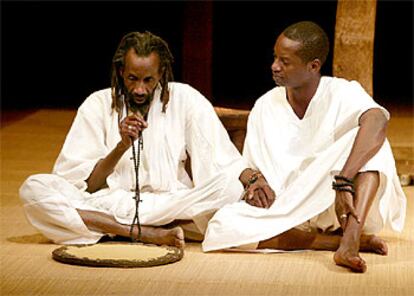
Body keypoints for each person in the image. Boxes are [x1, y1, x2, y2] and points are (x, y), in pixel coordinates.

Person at [202, 21, 406, 273]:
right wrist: (256, 181)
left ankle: (351, 237)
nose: (274, 66)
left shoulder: (341, 91)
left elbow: (377, 119)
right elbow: (252, 164)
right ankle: (333, 244)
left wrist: (344, 180)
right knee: (222, 228)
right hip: (284, 207)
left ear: (313, 66)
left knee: (375, 143)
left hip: (336, 204)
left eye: (285, 61)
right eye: (275, 57)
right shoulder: (265, 105)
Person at [19, 31, 247, 248]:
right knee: (35, 189)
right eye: (132, 78)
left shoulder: (185, 98)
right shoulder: (96, 104)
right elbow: (86, 186)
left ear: (162, 73)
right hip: (112, 203)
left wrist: (252, 178)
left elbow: (220, 160)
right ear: (120, 71)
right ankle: (147, 232)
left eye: (148, 80)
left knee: (230, 188)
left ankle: (113, 229)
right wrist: (121, 146)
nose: (139, 89)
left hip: (173, 203)